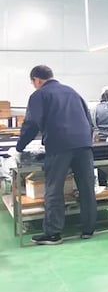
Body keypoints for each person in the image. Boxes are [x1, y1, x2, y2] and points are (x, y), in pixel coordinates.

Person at [16, 65, 96, 245]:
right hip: (84, 145)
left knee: (54, 188)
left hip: (59, 146)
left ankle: (53, 234)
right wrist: (86, 141)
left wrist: (19, 147)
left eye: (33, 83)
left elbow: (31, 124)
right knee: (86, 187)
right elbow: (88, 120)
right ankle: (88, 229)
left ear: (37, 80)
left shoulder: (39, 95)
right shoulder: (73, 92)